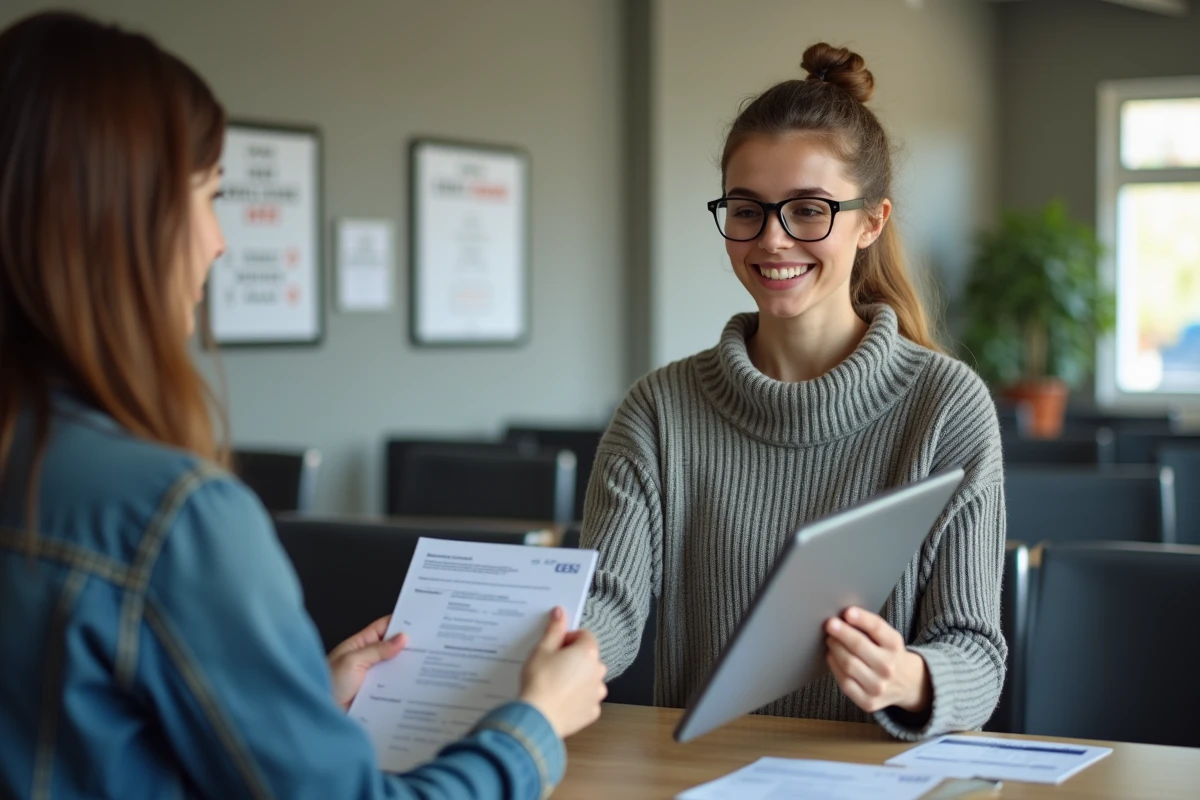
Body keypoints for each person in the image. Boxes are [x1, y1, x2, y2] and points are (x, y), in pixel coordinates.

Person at [0, 11, 605, 800]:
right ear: (120, 219)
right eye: (209, 196)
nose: (218, 242)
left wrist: (299, 705)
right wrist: (534, 723)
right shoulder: (172, 516)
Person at [580, 43, 1006, 740]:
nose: (773, 240)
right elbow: (608, 606)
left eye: (809, 210)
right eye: (746, 210)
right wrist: (535, 649)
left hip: (876, 777)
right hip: (703, 773)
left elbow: (975, 653)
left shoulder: (946, 405)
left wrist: (908, 678)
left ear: (871, 222)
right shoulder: (658, 410)